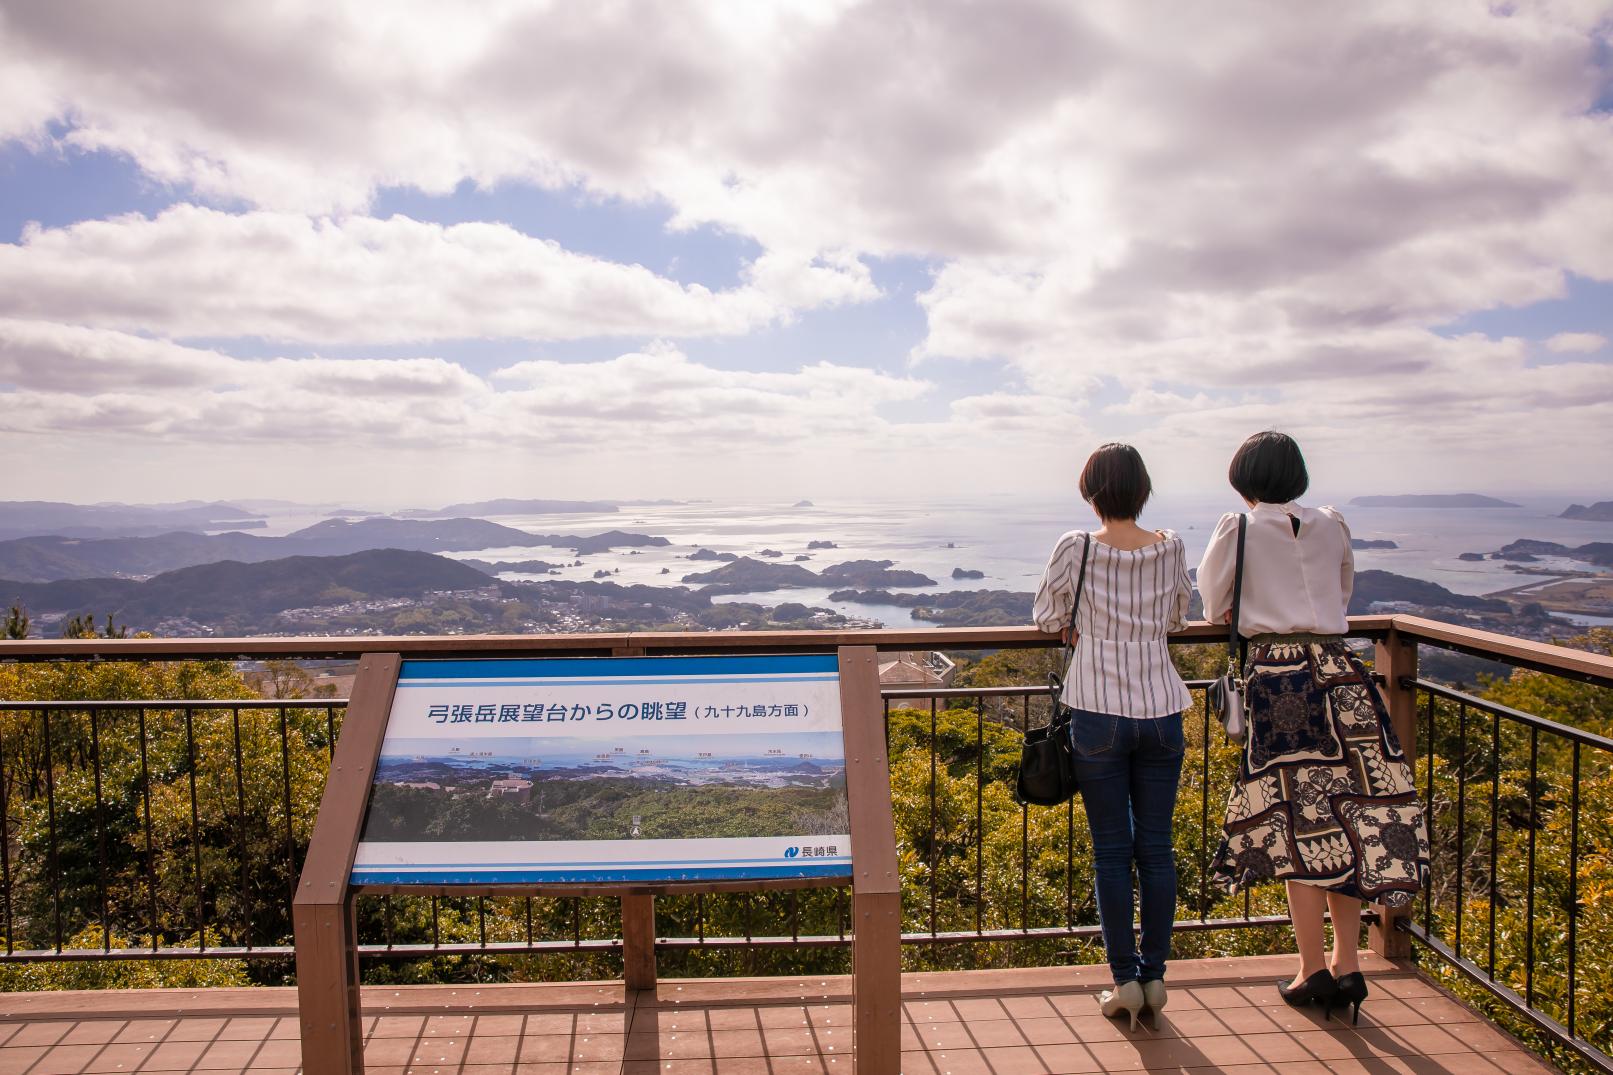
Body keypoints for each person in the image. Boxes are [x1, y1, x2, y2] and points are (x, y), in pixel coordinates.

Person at [1199, 431, 1428, 1024]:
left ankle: (1311, 970)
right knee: (1350, 814)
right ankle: (1348, 962)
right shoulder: (1332, 522)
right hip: (1341, 673)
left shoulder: (1239, 527)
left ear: (1242, 477)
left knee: (1299, 823)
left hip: (1281, 682)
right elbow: (1343, 593)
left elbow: (1210, 601)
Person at [1033, 443, 1194, 1029]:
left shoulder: (1075, 548)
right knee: (1155, 846)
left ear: (1091, 492)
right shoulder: (1170, 546)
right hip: (1160, 709)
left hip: (1097, 710)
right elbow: (1178, 618)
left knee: (1111, 851)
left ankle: (1123, 979)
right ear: (1142, 491)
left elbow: (1048, 619)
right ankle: (1155, 978)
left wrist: (1090, 634)